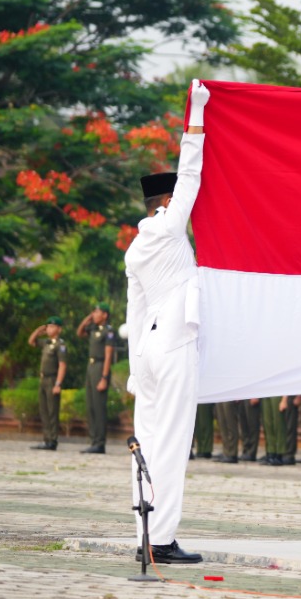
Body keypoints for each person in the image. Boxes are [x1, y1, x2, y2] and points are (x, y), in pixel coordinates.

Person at [123, 79, 210, 565]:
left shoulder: (134, 250)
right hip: (175, 344)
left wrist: (136, 371)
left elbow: (134, 314)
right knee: (174, 441)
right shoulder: (172, 226)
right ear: (166, 202)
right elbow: (191, 171)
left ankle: (144, 530)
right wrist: (196, 112)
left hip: (149, 354)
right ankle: (162, 541)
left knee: (149, 440)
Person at [76, 305, 118, 454]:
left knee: (99, 407)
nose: (94, 314)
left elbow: (108, 356)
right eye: (93, 311)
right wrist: (88, 318)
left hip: (100, 367)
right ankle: (93, 440)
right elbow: (79, 332)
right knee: (90, 406)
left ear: (105, 315)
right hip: (91, 367)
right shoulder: (93, 329)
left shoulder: (109, 331)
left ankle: (100, 443)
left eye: (97, 312)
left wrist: (104, 378)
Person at [27, 317, 68, 451]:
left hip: (52, 380)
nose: (49, 329)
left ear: (59, 329)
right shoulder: (46, 342)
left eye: (52, 326)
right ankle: (46, 439)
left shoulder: (60, 345)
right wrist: (39, 330)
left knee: (52, 411)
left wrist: (58, 384)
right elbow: (31, 341)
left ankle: (53, 440)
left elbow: (62, 365)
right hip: (43, 380)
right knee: (43, 410)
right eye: (48, 326)